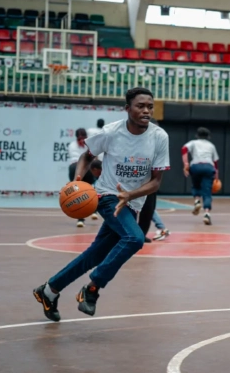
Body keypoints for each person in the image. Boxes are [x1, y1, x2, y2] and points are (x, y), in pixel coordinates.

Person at [33, 87, 170, 322]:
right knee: (135, 239)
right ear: (128, 109)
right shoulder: (111, 132)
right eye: (140, 106)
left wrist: (131, 195)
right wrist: (77, 181)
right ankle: (92, 289)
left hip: (131, 202)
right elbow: (87, 156)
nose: (146, 110)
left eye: (149, 106)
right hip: (107, 196)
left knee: (95, 254)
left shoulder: (159, 137)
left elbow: (156, 182)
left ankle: (48, 290)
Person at [183, 127, 219, 226]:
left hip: (196, 166)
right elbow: (215, 162)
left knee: (196, 186)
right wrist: (216, 176)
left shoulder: (193, 143)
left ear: (197, 135)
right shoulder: (211, 145)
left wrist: (186, 164)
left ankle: (197, 201)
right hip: (208, 167)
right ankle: (207, 214)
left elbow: (184, 149)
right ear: (208, 136)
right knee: (207, 193)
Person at [67, 128, 98, 227]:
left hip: (85, 168)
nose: (82, 141)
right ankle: (82, 218)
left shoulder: (88, 144)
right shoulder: (73, 146)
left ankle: (92, 211)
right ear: (77, 138)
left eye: (83, 138)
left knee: (90, 190)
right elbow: (80, 160)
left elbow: (93, 157)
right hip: (76, 168)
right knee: (80, 193)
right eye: (80, 139)